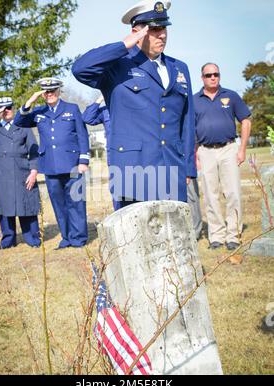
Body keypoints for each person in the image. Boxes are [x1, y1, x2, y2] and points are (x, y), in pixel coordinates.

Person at [72, 0, 196, 209]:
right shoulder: (117, 67)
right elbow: (80, 69)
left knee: (173, 235)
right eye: (154, 29)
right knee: (136, 237)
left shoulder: (179, 68)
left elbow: (187, 120)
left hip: (172, 167)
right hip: (133, 171)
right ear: (136, 32)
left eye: (164, 28)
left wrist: (189, 168)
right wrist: (124, 45)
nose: (162, 35)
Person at [14, 78, 90, 249]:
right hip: (50, 166)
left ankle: (79, 238)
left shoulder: (72, 108)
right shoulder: (39, 112)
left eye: (52, 90)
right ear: (42, 94)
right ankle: (67, 237)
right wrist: (29, 102)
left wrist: (84, 160)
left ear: (58, 91)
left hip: (72, 164)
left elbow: (82, 135)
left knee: (76, 202)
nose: (49, 94)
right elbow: (19, 122)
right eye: (46, 92)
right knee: (59, 204)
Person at [193, 63, 251, 250]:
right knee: (211, 195)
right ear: (202, 77)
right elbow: (190, 131)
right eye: (208, 75)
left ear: (219, 76)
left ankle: (233, 235)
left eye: (216, 74)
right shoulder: (194, 100)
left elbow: (246, 120)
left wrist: (241, 149)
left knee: (233, 192)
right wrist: (195, 156)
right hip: (205, 151)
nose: (212, 77)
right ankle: (216, 236)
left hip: (228, 149)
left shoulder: (231, 96)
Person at [0, 97, 41, 249]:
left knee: (26, 205)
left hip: (22, 171)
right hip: (0, 173)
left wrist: (33, 171)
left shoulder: (23, 126)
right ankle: (7, 240)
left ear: (13, 108)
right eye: (2, 109)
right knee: (4, 207)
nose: (6, 112)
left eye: (9, 108)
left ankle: (32, 238)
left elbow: (33, 149)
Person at [82, 95, 120, 210]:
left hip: (137, 155)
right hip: (114, 157)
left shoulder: (132, 106)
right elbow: (87, 118)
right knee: (118, 192)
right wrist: (100, 99)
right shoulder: (105, 111)